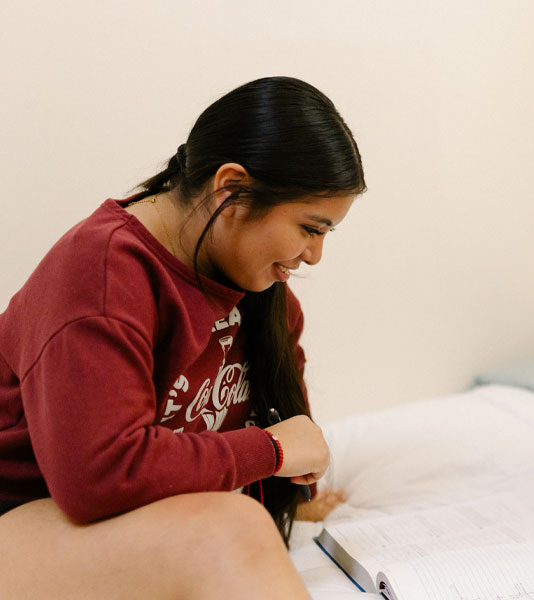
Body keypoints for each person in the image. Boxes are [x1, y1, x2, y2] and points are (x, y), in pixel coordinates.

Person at [0, 76, 364, 598]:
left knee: (239, 521)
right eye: (311, 228)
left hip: (111, 519)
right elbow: (100, 476)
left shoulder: (259, 290)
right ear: (232, 188)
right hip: (23, 510)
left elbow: (277, 431)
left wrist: (286, 480)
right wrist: (272, 451)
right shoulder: (101, 276)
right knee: (233, 530)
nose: (315, 256)